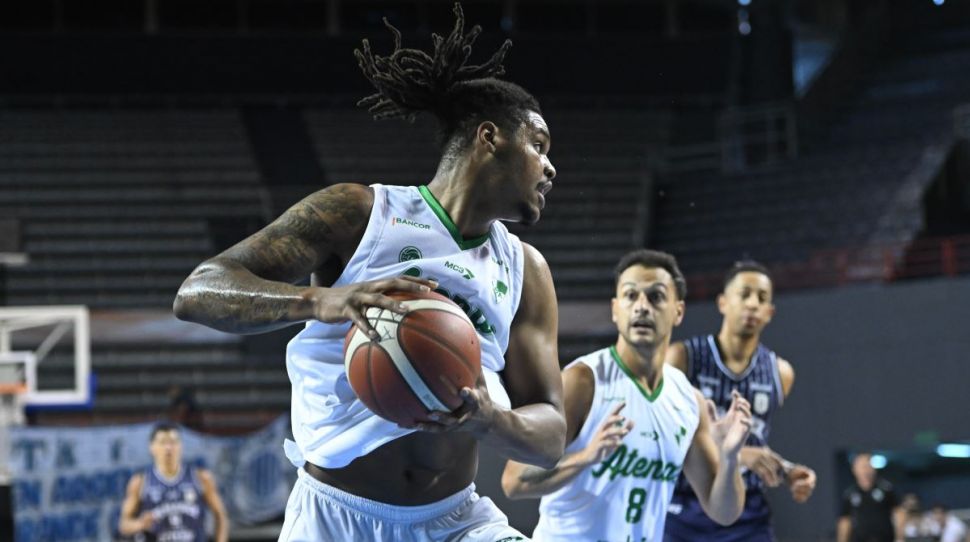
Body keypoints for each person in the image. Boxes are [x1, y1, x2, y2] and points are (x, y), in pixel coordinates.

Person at [173, 4, 566, 540]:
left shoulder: (527, 270)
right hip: (335, 518)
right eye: (538, 146)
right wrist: (323, 301)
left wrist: (492, 419)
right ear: (489, 137)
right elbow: (198, 291)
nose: (550, 167)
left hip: (455, 521)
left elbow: (551, 435)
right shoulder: (361, 214)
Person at [501, 249, 752, 542]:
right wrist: (586, 458)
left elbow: (724, 512)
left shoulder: (688, 400)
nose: (641, 307)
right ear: (615, 309)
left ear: (678, 311)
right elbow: (514, 480)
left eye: (656, 296)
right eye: (631, 295)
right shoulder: (584, 381)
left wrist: (730, 457)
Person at [663, 260, 817, 541]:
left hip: (748, 514)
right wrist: (737, 455)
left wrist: (785, 470)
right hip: (685, 510)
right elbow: (663, 438)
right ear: (722, 302)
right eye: (744, 294)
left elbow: (755, 439)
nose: (753, 304)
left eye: (762, 298)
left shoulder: (780, 372)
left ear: (770, 312)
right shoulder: (682, 358)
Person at [118, 423, 229, 542]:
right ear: (152, 447)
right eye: (163, 442)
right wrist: (140, 524)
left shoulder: (201, 477)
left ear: (181, 446)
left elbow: (221, 515)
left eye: (173, 442)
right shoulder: (140, 481)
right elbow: (123, 525)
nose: (168, 447)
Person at [837, 452, 902, 542]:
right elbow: (845, 521)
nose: (866, 470)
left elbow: (899, 513)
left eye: (868, 466)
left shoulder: (886, 489)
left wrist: (900, 538)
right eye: (862, 467)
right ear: (854, 469)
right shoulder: (849, 494)